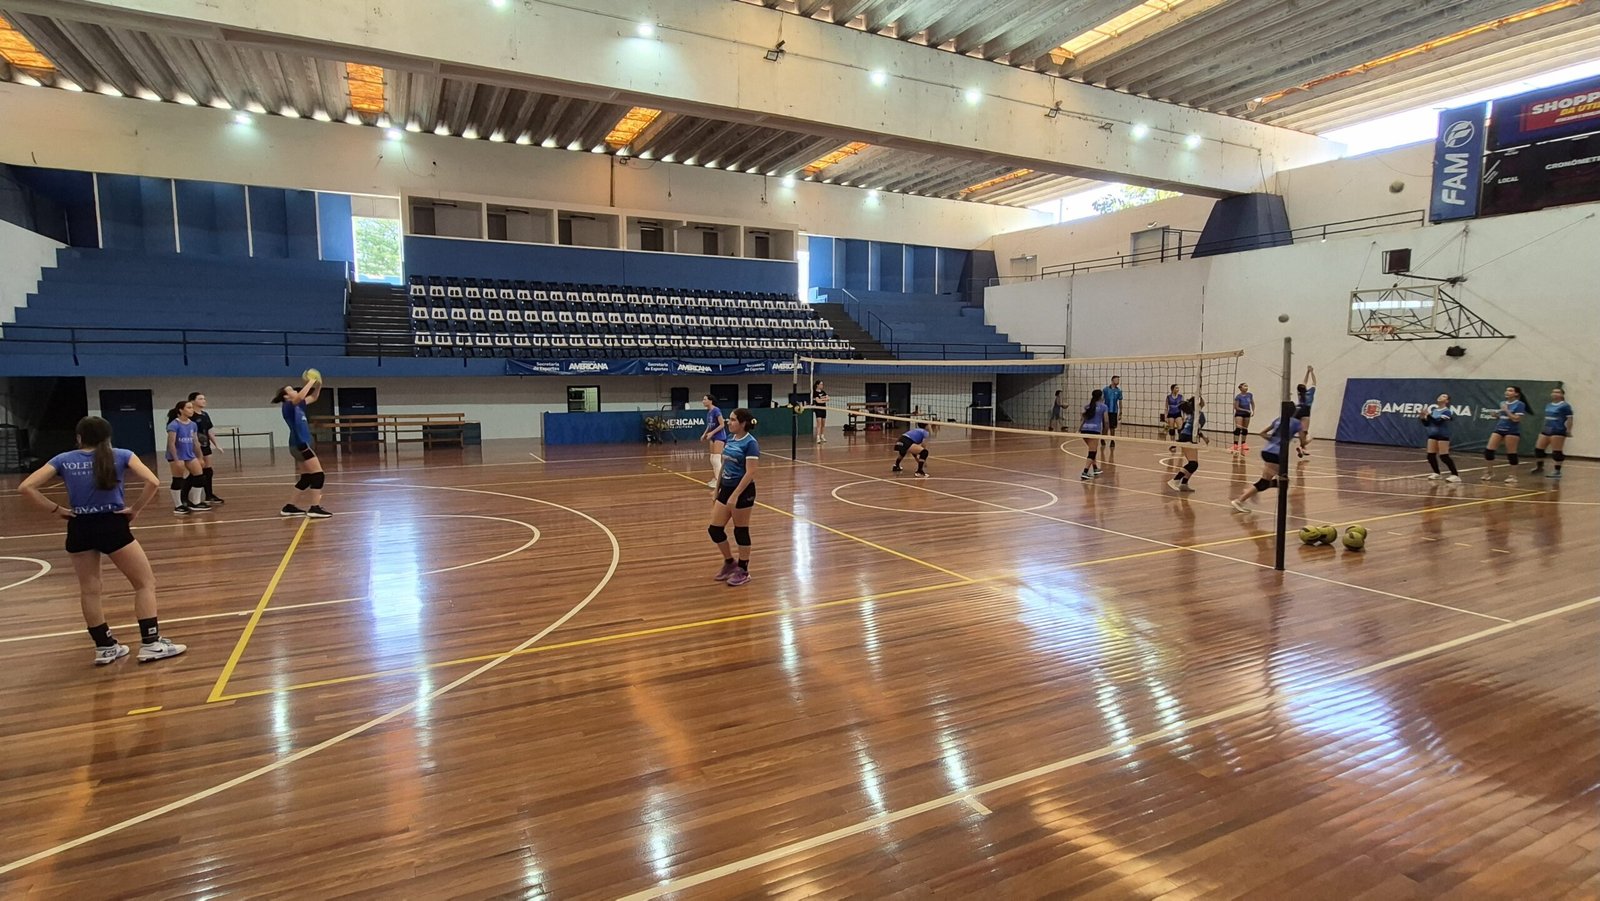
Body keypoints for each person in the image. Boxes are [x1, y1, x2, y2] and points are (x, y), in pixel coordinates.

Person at [18, 416, 187, 665]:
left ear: (79, 438)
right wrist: (135, 509)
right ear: (108, 437)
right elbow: (152, 481)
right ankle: (151, 643)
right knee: (144, 583)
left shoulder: (64, 459)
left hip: (79, 527)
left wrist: (57, 510)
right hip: (112, 525)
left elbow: (26, 487)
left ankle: (105, 647)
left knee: (90, 590)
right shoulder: (122, 454)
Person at [708, 408, 760, 587]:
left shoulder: (750, 443)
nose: (729, 422)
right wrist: (717, 489)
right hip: (726, 489)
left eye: (733, 420)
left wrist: (736, 495)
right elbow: (724, 465)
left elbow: (751, 471)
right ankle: (730, 563)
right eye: (729, 419)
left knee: (740, 530)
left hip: (743, 491)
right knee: (714, 529)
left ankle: (744, 570)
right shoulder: (731, 439)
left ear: (743, 423)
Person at [273, 376, 333, 518]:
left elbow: (313, 397)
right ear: (286, 396)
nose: (294, 390)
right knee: (318, 475)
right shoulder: (289, 405)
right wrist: (311, 381)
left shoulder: (298, 405)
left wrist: (318, 385)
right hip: (300, 445)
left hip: (298, 445)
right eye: (291, 390)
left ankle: (289, 507)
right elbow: (300, 396)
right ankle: (314, 508)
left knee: (306, 478)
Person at [1231, 413, 1301, 513]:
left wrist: (1274, 440)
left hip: (1267, 451)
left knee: (1283, 482)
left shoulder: (1278, 419)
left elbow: (1262, 433)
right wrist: (1308, 440)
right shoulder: (1297, 423)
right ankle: (1240, 500)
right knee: (1267, 482)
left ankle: (1253, 490)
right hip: (1275, 454)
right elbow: (1303, 441)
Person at [165, 400, 210, 515]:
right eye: (189, 408)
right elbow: (171, 444)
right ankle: (178, 505)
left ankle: (196, 502)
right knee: (178, 479)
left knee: (200, 476)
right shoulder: (174, 425)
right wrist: (176, 460)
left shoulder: (192, 424)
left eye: (191, 408)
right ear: (181, 410)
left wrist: (200, 457)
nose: (191, 410)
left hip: (189, 454)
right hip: (177, 456)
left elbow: (195, 442)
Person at [1482, 385, 1527, 484]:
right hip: (1499, 428)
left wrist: (1506, 410)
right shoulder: (1502, 403)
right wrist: (1496, 415)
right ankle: (1489, 472)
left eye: (1510, 390)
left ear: (1516, 394)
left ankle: (1513, 476)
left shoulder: (1520, 404)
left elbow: (1516, 419)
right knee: (1488, 451)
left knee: (1511, 453)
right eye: (1506, 390)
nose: (1507, 392)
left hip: (1512, 430)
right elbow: (1502, 417)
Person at [189, 391, 225, 504]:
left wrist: (216, 444)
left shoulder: (205, 415)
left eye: (204, 398)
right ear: (192, 401)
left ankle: (209, 495)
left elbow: (209, 431)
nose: (203, 401)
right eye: (200, 399)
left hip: (206, 446)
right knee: (196, 472)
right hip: (194, 447)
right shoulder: (190, 416)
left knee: (208, 471)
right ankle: (190, 497)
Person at [1531, 387, 1573, 480]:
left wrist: (1568, 430)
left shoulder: (1565, 406)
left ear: (1562, 395)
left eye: (1557, 392)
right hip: (1546, 430)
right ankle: (1539, 467)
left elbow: (1569, 419)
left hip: (1558, 430)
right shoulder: (1549, 405)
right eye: (1553, 392)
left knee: (1556, 451)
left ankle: (1557, 471)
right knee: (1539, 449)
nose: (1555, 394)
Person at [1167, 397, 1205, 492]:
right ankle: (1175, 480)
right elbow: (1192, 428)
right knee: (1192, 464)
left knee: (1194, 464)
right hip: (1187, 438)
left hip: (1188, 437)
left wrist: (1203, 437)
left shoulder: (1194, 414)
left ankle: (1184, 483)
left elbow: (1192, 428)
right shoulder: (1198, 415)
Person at [1421, 393, 1461, 482]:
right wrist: (1422, 417)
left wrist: (1428, 415)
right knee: (1430, 456)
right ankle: (1436, 473)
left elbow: (1437, 422)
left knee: (1444, 456)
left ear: (1447, 401)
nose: (1440, 396)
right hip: (1432, 435)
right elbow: (1427, 424)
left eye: (1444, 396)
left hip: (1443, 435)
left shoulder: (1447, 411)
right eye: (1440, 395)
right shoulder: (1434, 411)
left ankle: (1455, 475)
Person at [700, 395, 729, 487]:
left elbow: (722, 424)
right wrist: (705, 434)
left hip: (719, 436)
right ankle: (716, 478)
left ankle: (720, 481)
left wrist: (712, 433)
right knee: (712, 458)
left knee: (716, 458)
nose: (703, 401)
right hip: (713, 436)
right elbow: (709, 425)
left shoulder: (716, 410)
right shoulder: (709, 412)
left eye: (705, 399)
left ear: (710, 401)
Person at [1079, 388, 1107, 481]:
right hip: (1094, 431)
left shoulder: (1087, 406)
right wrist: (1105, 434)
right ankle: (1085, 472)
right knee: (1092, 452)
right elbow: (1106, 421)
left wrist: (1079, 430)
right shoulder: (1103, 407)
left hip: (1084, 430)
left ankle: (1095, 468)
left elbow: (1083, 419)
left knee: (1092, 450)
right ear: (1101, 397)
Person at [1293, 366, 1317, 457]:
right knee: (1305, 431)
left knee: (1301, 431)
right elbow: (1314, 382)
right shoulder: (1310, 392)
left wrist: (1307, 372)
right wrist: (1311, 372)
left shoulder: (1300, 393)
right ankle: (1304, 445)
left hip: (1298, 410)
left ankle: (1303, 448)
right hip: (1306, 411)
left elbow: (1304, 382)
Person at [1231, 382, 1254, 453]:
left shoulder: (1250, 395)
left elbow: (1252, 403)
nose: (1246, 387)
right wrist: (1246, 410)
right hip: (1239, 414)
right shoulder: (1238, 397)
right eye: (1245, 386)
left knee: (1245, 429)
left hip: (1247, 414)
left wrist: (1253, 410)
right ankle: (1235, 444)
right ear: (1241, 388)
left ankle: (1243, 443)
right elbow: (1236, 407)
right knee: (1238, 428)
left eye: (1247, 386)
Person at [1103, 375, 1123, 448]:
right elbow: (1102, 400)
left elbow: (1120, 402)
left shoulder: (1119, 391)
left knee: (1112, 427)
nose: (1118, 381)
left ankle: (1112, 440)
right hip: (1105, 411)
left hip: (1114, 411)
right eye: (1117, 380)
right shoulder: (1105, 389)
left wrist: (1120, 412)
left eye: (1118, 380)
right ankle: (1103, 438)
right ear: (1112, 380)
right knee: (1105, 426)